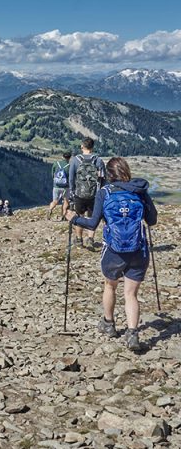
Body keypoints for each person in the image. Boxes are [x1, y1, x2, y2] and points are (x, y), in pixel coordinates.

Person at [66, 157, 157, 351]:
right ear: (127, 171)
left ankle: (109, 324)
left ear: (108, 175)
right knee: (131, 293)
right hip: (138, 250)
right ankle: (132, 334)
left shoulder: (104, 193)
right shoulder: (140, 192)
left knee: (110, 286)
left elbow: (92, 224)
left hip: (113, 250)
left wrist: (74, 219)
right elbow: (152, 220)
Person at [69, 138, 105, 249]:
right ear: (92, 147)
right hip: (94, 194)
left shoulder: (75, 160)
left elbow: (71, 178)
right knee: (91, 217)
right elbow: (103, 178)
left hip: (79, 194)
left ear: (82, 146)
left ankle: (79, 240)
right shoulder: (98, 160)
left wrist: (72, 191)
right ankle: (90, 239)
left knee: (80, 216)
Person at [47, 151, 71, 221]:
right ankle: (64, 215)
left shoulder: (56, 164)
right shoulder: (69, 166)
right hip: (66, 187)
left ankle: (50, 209)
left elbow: (52, 174)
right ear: (69, 158)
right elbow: (71, 177)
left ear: (62, 157)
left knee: (55, 201)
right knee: (66, 200)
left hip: (56, 186)